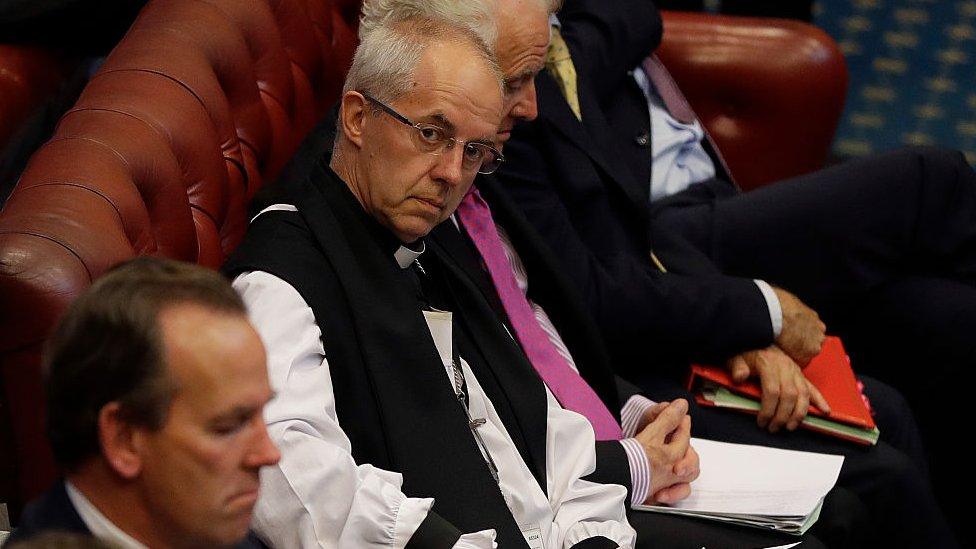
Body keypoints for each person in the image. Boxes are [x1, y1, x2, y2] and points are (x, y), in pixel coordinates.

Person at [492, 0, 964, 546]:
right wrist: (747, 322)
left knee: (908, 380)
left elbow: (633, 241)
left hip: (645, 345)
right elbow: (575, 309)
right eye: (516, 81)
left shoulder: (542, 66)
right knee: (882, 482)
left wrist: (743, 323)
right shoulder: (500, 137)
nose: (527, 104)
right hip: (618, 387)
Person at [224, 13, 636, 549]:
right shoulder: (281, 278)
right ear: (356, 117)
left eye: (474, 152)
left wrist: (594, 539)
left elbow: (558, 446)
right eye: (431, 134)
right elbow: (291, 474)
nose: (450, 174)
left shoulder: (432, 249)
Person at [7, 257, 280, 548]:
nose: (269, 453)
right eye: (228, 427)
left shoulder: (201, 526)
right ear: (124, 439)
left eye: (262, 413)